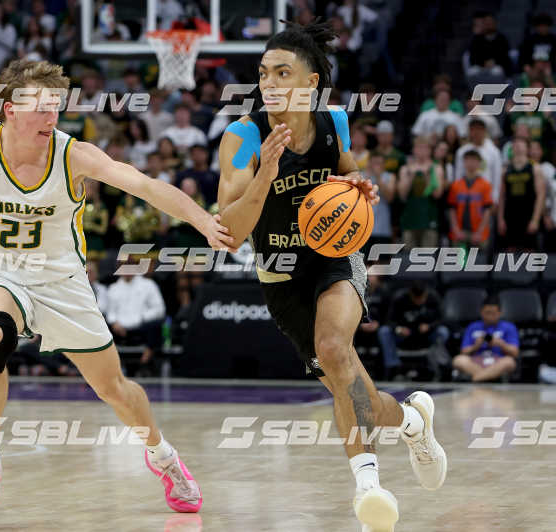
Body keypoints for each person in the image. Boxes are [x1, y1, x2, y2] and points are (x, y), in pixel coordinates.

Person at [0, 59, 235, 511]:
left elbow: (145, 185)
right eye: (42, 108)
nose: (53, 117)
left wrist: (204, 220)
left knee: (115, 390)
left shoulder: (74, 155)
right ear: (9, 109)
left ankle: (163, 456)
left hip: (62, 281)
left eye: (57, 108)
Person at [217, 18, 447, 532]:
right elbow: (227, 231)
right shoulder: (243, 137)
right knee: (356, 392)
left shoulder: (334, 122)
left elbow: (346, 170)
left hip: (333, 257)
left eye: (282, 73)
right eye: (263, 74)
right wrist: (262, 181)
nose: (270, 84)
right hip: (280, 277)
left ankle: (369, 489)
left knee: (335, 349)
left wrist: (358, 186)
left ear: (311, 83)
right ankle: (412, 421)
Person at [452, 296, 519, 382]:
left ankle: (475, 378)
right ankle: (490, 377)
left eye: (493, 313)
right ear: (481, 312)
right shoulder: (473, 327)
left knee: (509, 362)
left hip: (497, 362)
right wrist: (475, 346)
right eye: (487, 313)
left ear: (500, 313)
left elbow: (515, 353)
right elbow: (463, 352)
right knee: (458, 360)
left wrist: (501, 344)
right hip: (476, 362)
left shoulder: (509, 327)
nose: (490, 316)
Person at [497, 138, 546, 251]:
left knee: (529, 252)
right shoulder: (505, 170)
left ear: (527, 149)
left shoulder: (535, 168)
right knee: (510, 252)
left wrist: (535, 219)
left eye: (521, 144)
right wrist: (500, 219)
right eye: (515, 144)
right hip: (511, 216)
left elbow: (541, 196)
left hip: (528, 215)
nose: (518, 146)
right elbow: (502, 197)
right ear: (511, 149)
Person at [447, 150, 494, 253]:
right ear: (464, 162)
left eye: (474, 160)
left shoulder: (485, 185)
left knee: (479, 264)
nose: (471, 163)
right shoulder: (456, 185)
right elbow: (452, 209)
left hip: (479, 233)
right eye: (468, 160)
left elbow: (487, 210)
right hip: (460, 232)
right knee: (460, 264)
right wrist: (456, 230)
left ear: (479, 163)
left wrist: (479, 232)